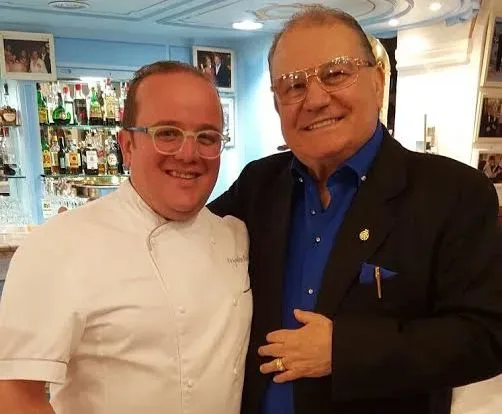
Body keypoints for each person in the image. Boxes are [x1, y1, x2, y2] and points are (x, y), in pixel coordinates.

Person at [209, 5, 502, 414]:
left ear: (378, 82)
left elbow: (486, 336)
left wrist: (344, 351)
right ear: (277, 105)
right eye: (293, 85)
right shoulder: (259, 183)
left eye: (335, 74)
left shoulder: (454, 193)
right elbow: (187, 240)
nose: (314, 99)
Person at [0, 61, 252, 414]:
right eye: (168, 133)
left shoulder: (234, 236)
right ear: (127, 145)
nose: (188, 154)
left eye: (207, 137)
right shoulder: (58, 245)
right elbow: (13, 395)